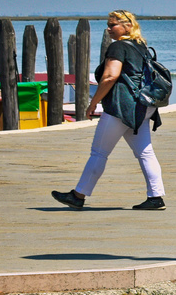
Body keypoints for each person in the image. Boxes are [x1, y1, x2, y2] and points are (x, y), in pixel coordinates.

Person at [51, 11, 166, 211]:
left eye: (112, 25)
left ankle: (78, 196)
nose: (108, 28)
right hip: (143, 107)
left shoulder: (118, 46)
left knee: (99, 152)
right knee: (145, 152)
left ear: (127, 25)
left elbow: (110, 77)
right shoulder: (141, 47)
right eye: (108, 24)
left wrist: (93, 102)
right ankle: (156, 197)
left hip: (122, 108)